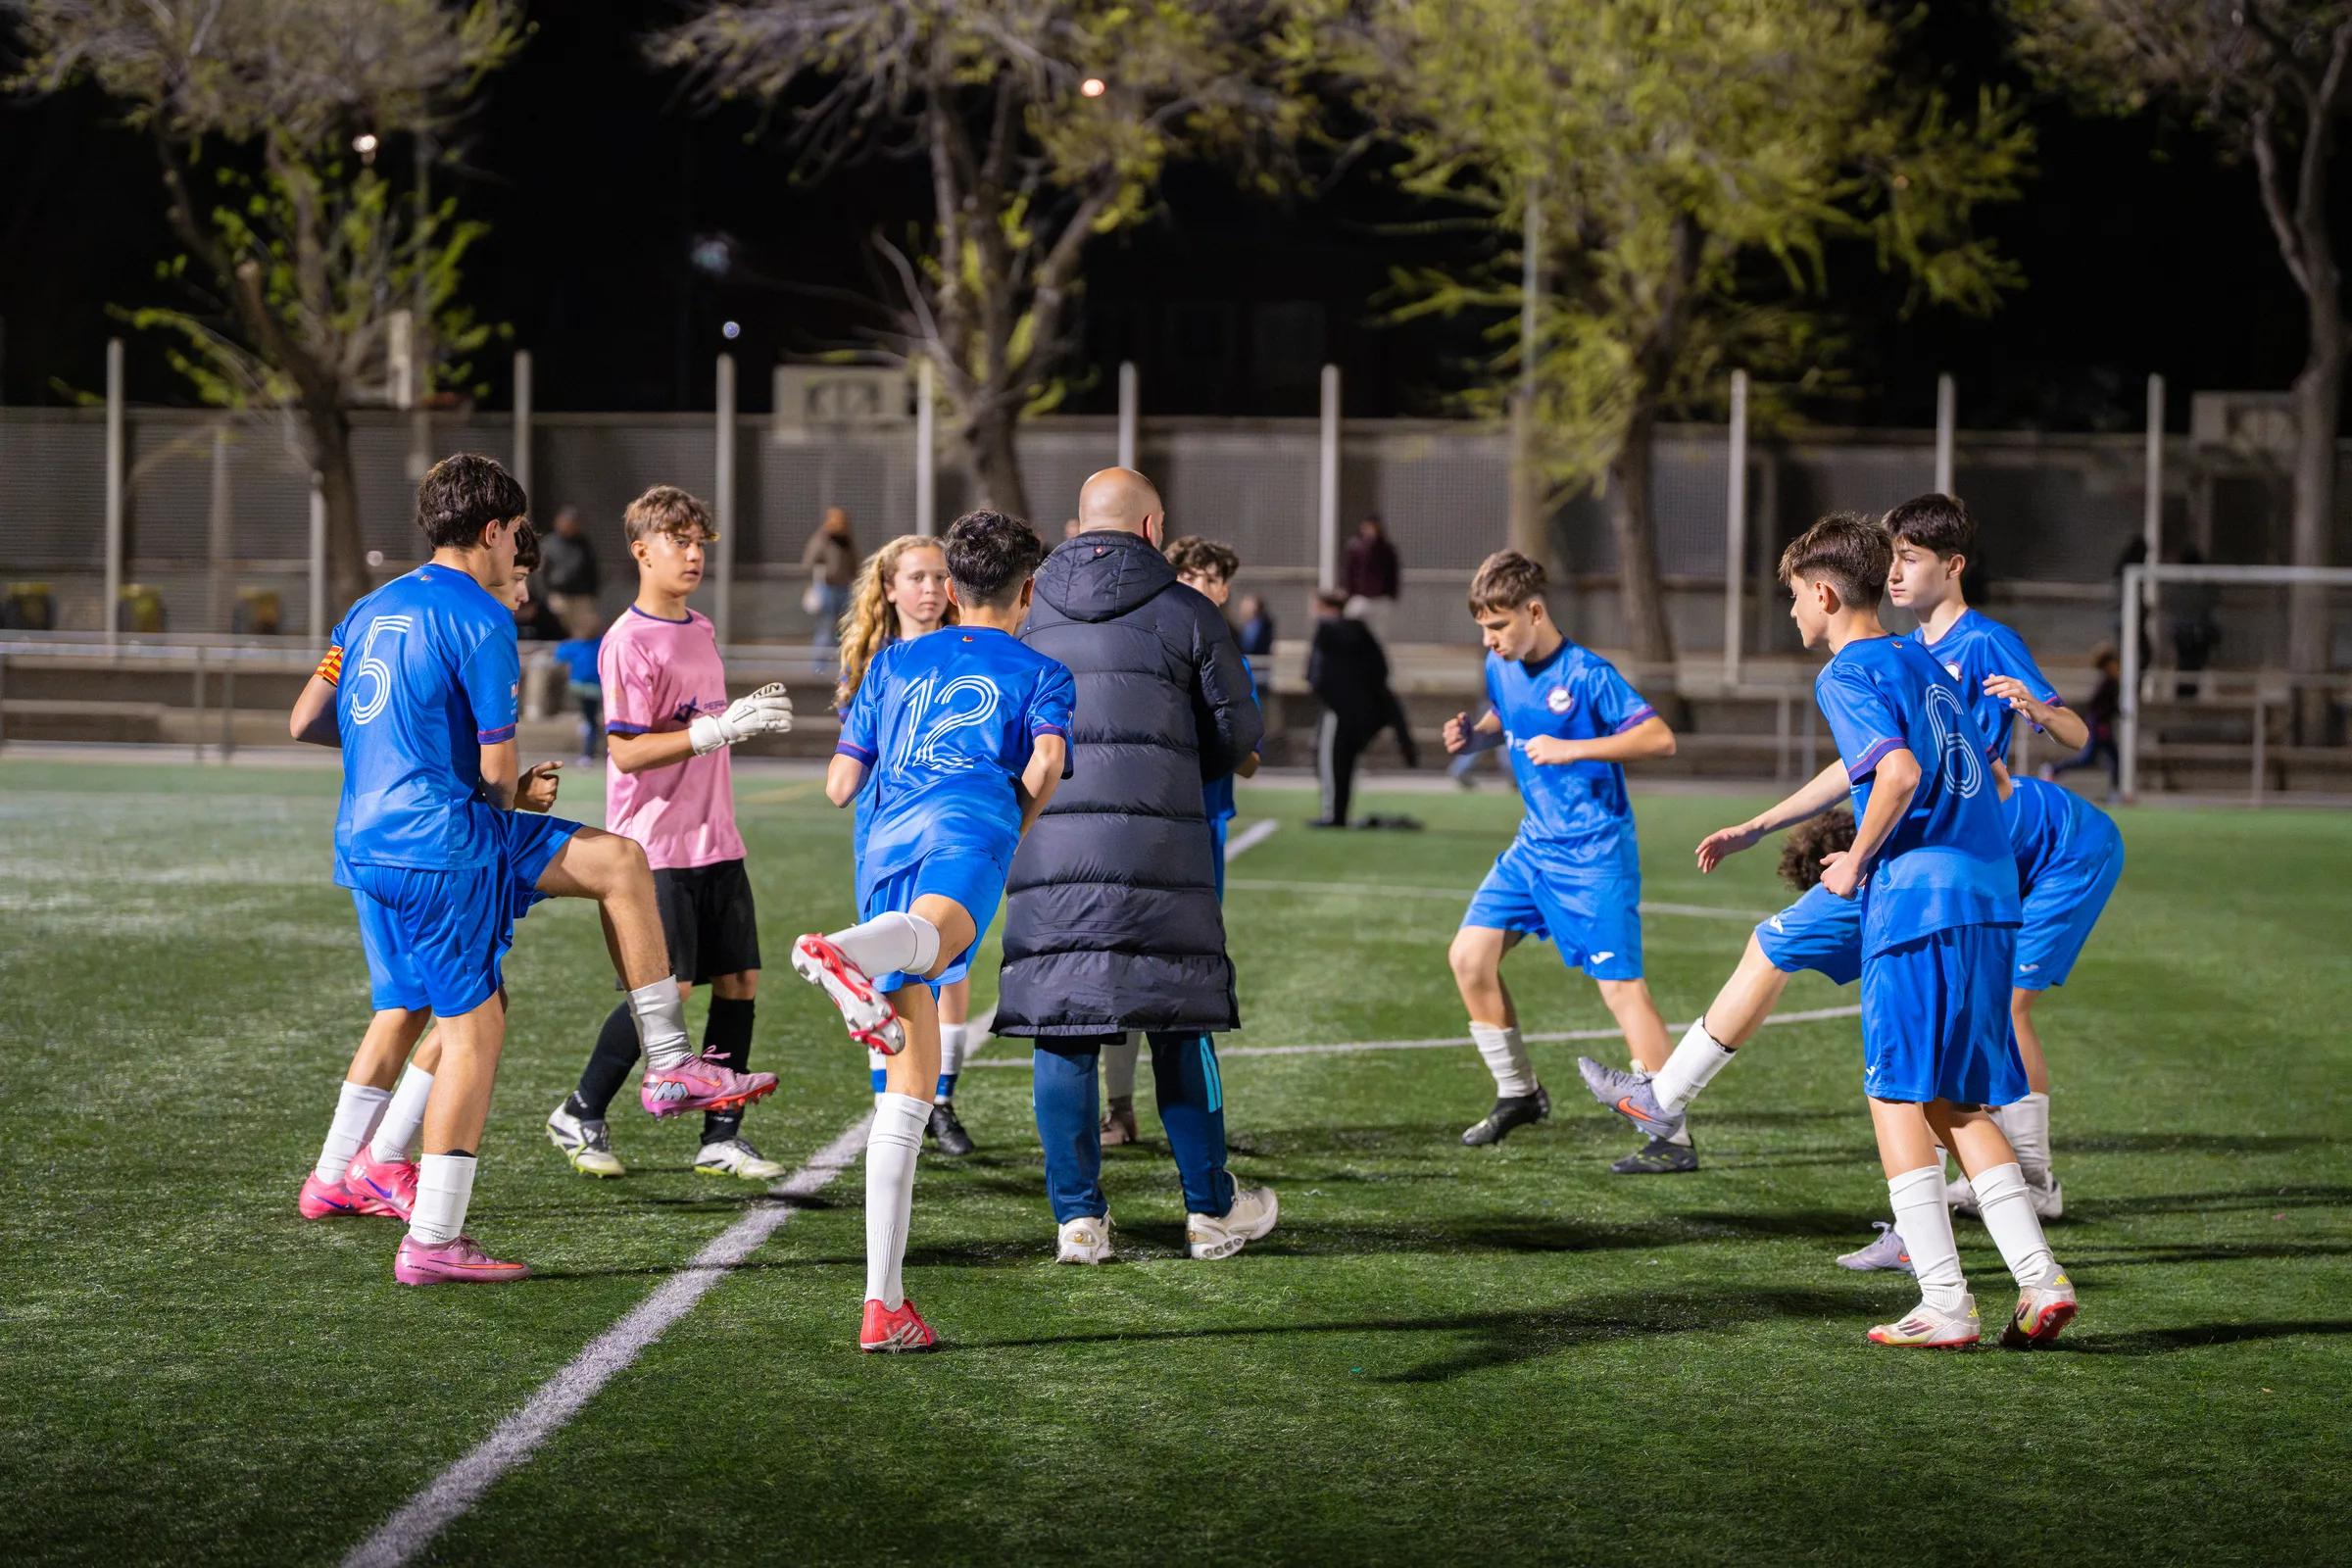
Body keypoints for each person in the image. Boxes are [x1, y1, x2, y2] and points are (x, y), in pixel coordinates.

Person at [288, 456, 775, 1283]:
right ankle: (436, 1238)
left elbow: (306, 719)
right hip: (444, 841)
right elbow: (494, 778)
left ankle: (338, 1174)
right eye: (518, 535)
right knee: (477, 1030)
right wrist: (511, 788)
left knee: (596, 878)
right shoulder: (480, 618)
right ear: (492, 531)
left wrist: (400, 751)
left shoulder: (368, 608)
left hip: (367, 842)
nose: (523, 554)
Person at [1588, 497, 2123, 1235]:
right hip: (1948, 855)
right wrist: (1763, 822)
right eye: (1890, 556)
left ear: (1952, 567)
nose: (1895, 570)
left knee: (1920, 1053)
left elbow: (1940, 763)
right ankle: (1994, 1245)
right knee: (1932, 1061)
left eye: (1909, 557)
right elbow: (1870, 761)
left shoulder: (1965, 646)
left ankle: (1977, 1225)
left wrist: (2031, 708)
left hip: (1960, 855)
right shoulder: (1907, 652)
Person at [1779, 512, 2074, 1348]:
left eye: (1795, 598)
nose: (1794, 613)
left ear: (1826, 594)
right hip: (1990, 893)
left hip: (1919, 901)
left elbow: (1898, 773)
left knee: (1894, 1093)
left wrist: (1855, 860)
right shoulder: (1922, 656)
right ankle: (2039, 1280)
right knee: (1957, 1102)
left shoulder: (1843, 674)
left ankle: (1945, 1300)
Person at [793, 510, 1074, 1352]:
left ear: (951, 588)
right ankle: (840, 952)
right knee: (940, 944)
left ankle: (885, 1306)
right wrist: (1014, 819)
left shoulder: (888, 661)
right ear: (1030, 589)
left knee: (905, 1097)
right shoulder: (1044, 668)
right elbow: (1048, 765)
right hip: (969, 826)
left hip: (885, 843)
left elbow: (843, 781)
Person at [993, 466, 1274, 1266]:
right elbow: (1237, 738)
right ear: (1153, 530)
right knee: (1183, 1023)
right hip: (1163, 850)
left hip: (1050, 845)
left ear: (1078, 526)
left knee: (1065, 1027)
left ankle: (1079, 1221)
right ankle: (1210, 1211)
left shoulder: (1029, 611)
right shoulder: (1189, 611)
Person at [545, 486, 797, 1183]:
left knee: (740, 981)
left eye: (697, 543)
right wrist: (718, 729)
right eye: (678, 541)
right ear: (640, 550)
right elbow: (626, 751)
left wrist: (727, 726)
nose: (692, 554)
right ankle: (580, 1108)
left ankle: (721, 1135)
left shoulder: (702, 629)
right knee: (674, 986)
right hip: (654, 846)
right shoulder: (625, 642)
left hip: (718, 838)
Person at [1439, 550, 1682, 1162]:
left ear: (1535, 611)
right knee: (1469, 958)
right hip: (1533, 847)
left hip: (1595, 852)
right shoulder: (1503, 665)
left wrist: (1574, 750)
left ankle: (1671, 1135)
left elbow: (1660, 738)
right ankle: (1519, 1093)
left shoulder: (1589, 673)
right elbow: (1507, 712)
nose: (1491, 641)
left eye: (1499, 627)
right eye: (1484, 630)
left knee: (1622, 989)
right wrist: (1478, 733)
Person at [1099, 535, 1262, 1149]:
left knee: (1188, 981)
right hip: (1137, 829)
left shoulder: (1226, 658)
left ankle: (1200, 1129)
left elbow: (1248, 758)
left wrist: (1197, 733)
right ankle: (1118, 1108)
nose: (1212, 591)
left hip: (1201, 836)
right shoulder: (1145, 642)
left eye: (1220, 581)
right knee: (1113, 970)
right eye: (1200, 577)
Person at [834, 532, 984, 1155]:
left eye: (939, 577)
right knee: (894, 964)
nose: (930, 589)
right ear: (889, 589)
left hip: (953, 826)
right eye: (916, 577)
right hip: (886, 826)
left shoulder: (973, 652)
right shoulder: (875, 662)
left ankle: (941, 1099)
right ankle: (888, 1101)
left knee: (950, 963)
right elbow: (849, 769)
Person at [1306, 589, 1415, 828]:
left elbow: (1316, 674)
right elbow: (1381, 668)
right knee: (1343, 762)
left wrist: (1330, 697)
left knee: (1331, 760)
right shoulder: (1362, 632)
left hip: (1336, 709)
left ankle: (1333, 814)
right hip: (1363, 711)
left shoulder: (1327, 632)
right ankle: (1338, 813)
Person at [2043, 643, 2122, 795]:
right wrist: (2104, 720)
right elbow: (2096, 706)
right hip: (2100, 728)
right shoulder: (2107, 683)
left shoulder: (2109, 682)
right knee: (2090, 758)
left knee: (2113, 758)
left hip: (2101, 726)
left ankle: (2116, 792)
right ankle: (2054, 769)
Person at [803, 506, 859, 667]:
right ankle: (819, 666)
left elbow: (854, 562)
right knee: (825, 626)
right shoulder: (822, 538)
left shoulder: (847, 540)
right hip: (827, 587)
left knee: (844, 627)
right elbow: (809, 561)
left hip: (845, 588)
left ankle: (841, 665)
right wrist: (826, 572)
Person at [538, 506, 603, 639]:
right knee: (558, 631)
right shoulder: (549, 544)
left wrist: (593, 591)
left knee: (585, 632)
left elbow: (591, 568)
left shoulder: (583, 544)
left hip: (581, 597)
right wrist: (543, 595)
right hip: (558, 597)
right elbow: (539, 572)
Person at [1343, 514, 1400, 641]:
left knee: (1379, 634)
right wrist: (1349, 592)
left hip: (1381, 597)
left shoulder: (1386, 549)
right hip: (1360, 596)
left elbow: (1392, 574)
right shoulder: (1355, 547)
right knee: (1351, 628)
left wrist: (1391, 595)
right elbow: (1350, 572)